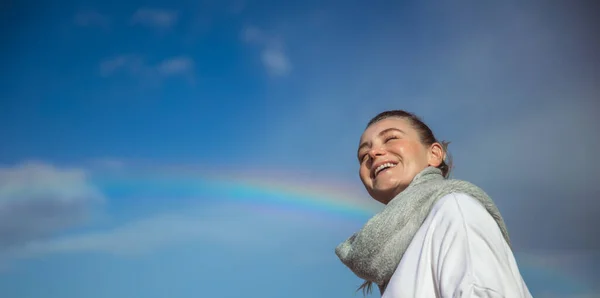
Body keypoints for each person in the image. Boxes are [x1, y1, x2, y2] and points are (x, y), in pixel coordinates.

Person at [335, 110, 532, 297]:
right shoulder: (397, 249)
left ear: (435, 154)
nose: (374, 153)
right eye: (363, 155)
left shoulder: (455, 209)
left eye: (391, 138)